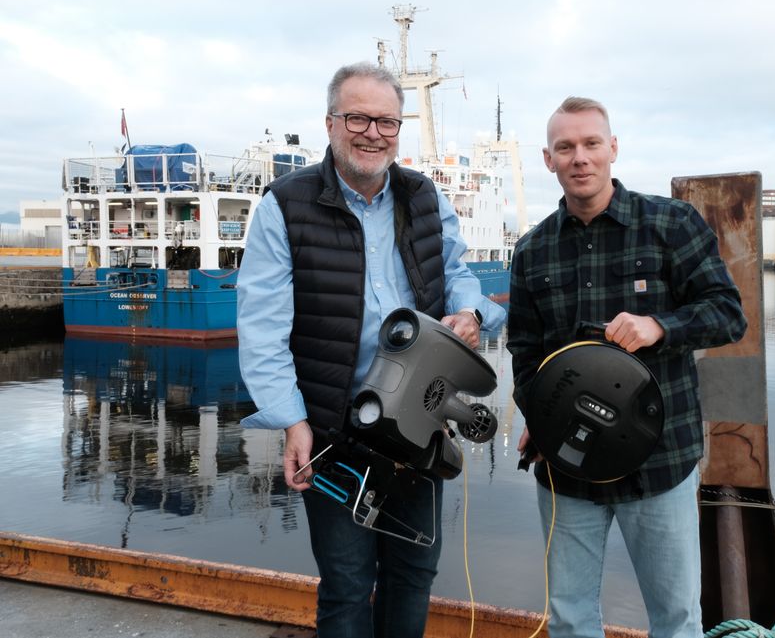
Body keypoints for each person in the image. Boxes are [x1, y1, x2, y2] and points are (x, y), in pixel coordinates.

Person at [237, 61, 504, 638]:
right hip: (332, 430)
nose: (372, 132)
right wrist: (292, 422)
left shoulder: (423, 197)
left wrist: (471, 311)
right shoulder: (284, 205)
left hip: (419, 420)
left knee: (413, 571)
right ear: (330, 122)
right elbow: (263, 328)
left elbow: (457, 270)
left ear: (399, 127)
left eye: (386, 121)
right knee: (347, 583)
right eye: (357, 117)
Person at [507, 96, 747, 638]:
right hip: (567, 465)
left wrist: (659, 326)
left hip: (660, 462)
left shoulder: (671, 223)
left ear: (613, 148)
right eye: (565, 147)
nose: (580, 158)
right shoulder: (532, 250)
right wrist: (540, 415)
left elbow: (728, 315)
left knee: (677, 617)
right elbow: (524, 350)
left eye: (592, 143)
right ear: (548, 159)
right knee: (569, 616)